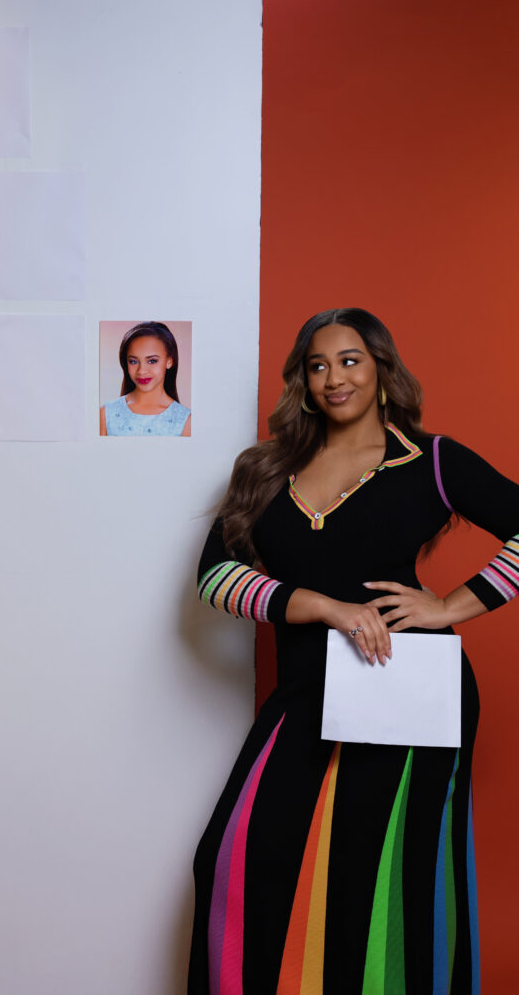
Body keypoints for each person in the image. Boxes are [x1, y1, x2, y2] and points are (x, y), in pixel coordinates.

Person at [188, 308, 519, 994]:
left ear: (380, 370)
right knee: (236, 857)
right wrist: (326, 606)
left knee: (388, 882)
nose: (333, 377)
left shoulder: (431, 463)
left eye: (349, 360)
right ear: (302, 383)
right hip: (306, 688)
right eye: (317, 364)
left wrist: (450, 605)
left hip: (409, 693)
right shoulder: (266, 468)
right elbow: (215, 577)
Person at [99, 321, 191, 436]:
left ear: (169, 361)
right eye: (133, 361)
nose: (141, 370)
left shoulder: (186, 421)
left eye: (152, 361)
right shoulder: (106, 414)